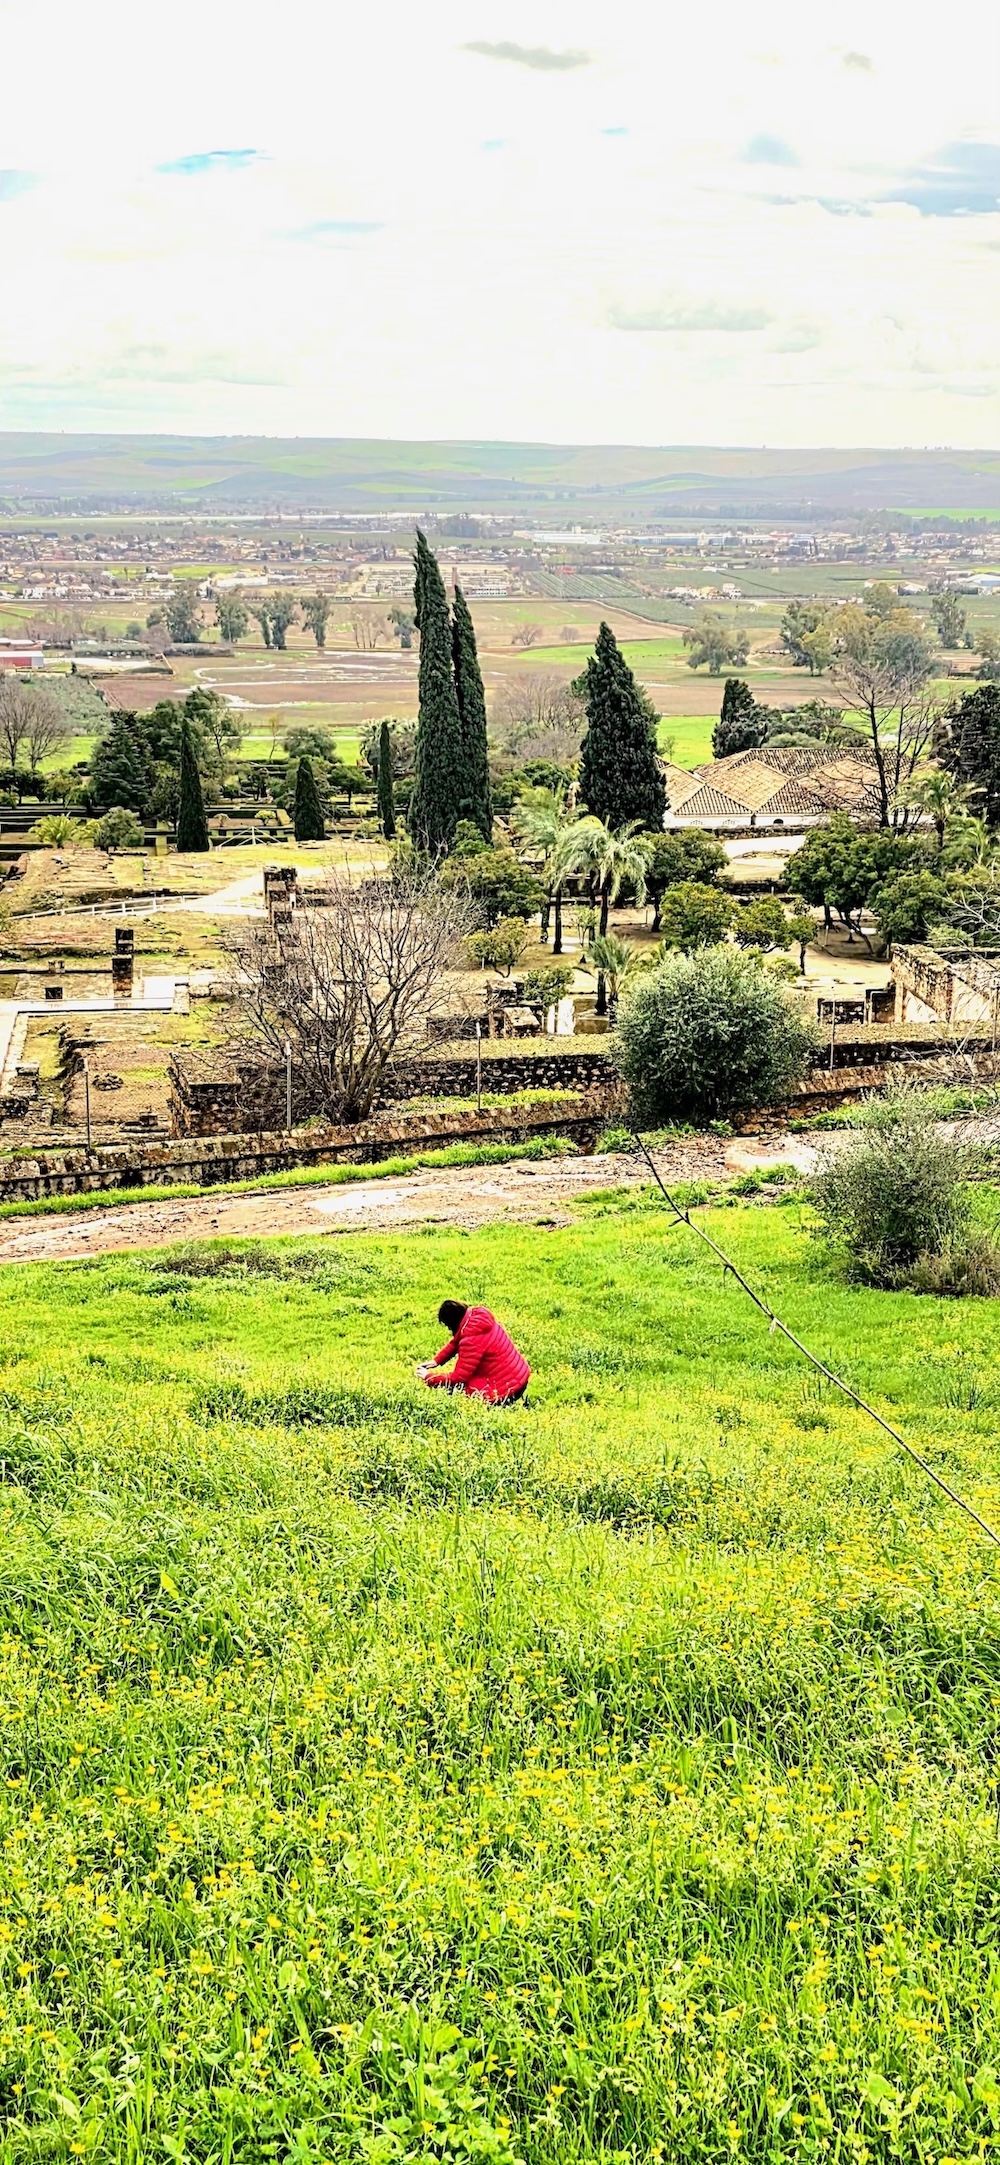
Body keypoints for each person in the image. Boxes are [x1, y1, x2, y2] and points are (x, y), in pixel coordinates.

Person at [416, 1300, 530, 1405]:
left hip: (508, 1390)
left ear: (452, 1323)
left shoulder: (471, 1341)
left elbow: (458, 1378)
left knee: (458, 1392)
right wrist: (436, 1361)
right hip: (519, 1376)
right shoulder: (476, 1318)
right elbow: (457, 1340)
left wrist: (429, 1377)